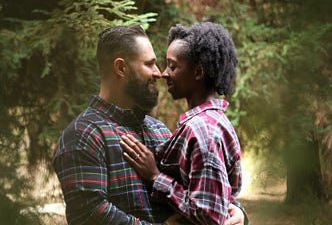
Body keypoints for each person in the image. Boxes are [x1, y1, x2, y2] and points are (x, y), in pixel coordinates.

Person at [52, 24, 245, 225]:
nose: (159, 73)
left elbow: (202, 191)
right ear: (121, 68)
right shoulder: (82, 135)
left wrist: (237, 213)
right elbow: (89, 215)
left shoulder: (159, 131)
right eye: (149, 64)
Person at [120, 22, 247, 225]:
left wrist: (155, 176)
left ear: (198, 72)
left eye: (173, 66)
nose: (163, 73)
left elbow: (209, 215)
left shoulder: (202, 131)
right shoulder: (214, 121)